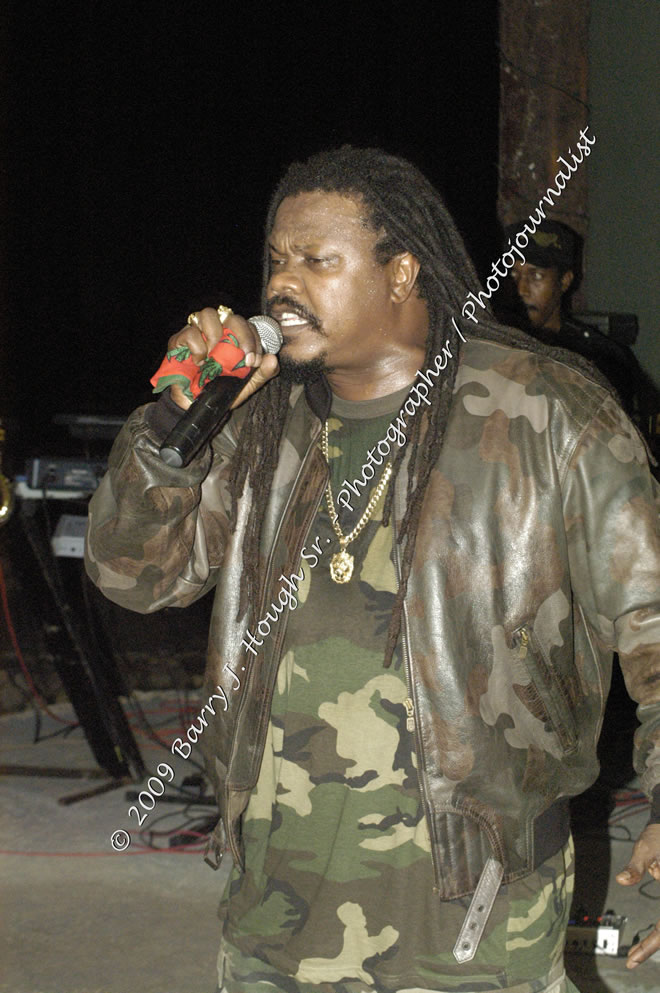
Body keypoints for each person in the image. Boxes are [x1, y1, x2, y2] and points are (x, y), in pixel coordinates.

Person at [85, 147, 660, 993]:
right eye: (277, 260)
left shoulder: (545, 414)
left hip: (471, 922)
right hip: (274, 914)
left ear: (402, 274)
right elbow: (133, 577)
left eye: (317, 261)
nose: (283, 285)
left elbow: (652, 616)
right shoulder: (255, 425)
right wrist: (174, 426)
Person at [502, 218, 656, 432]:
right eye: (512, 274)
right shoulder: (489, 345)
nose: (521, 289)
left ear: (564, 281)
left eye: (536, 276)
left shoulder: (600, 359)